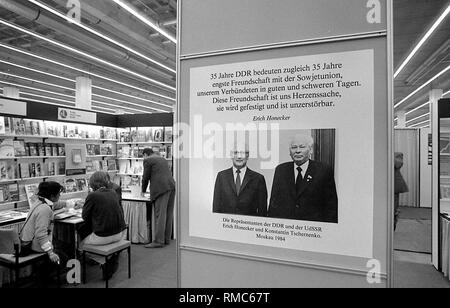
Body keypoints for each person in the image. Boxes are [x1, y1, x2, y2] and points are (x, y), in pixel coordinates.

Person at [268, 134, 338, 223]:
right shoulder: (281, 170)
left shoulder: (323, 171)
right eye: (294, 147)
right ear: (289, 151)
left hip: (313, 229)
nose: (297, 151)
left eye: (302, 147)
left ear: (310, 150)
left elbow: (331, 207)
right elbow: (273, 204)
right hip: (287, 228)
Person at [79, 171, 127, 279]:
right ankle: (109, 257)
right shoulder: (113, 192)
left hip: (103, 236)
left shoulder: (92, 196)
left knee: (80, 244)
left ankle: (104, 259)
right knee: (87, 229)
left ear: (92, 183)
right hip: (119, 234)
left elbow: (84, 217)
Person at [19, 181, 66, 285]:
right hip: (34, 245)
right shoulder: (45, 209)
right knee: (63, 255)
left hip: (26, 242)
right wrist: (50, 253)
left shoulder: (39, 202)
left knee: (59, 245)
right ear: (52, 196)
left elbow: (55, 205)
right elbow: (41, 234)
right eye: (59, 193)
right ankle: (43, 278)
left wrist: (69, 203)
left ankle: (43, 276)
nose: (60, 195)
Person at [213, 144, 267, 216]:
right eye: (235, 153)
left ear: (247, 156)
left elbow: (262, 211)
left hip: (249, 225)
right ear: (231, 156)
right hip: (226, 224)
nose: (239, 156)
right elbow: (216, 206)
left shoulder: (258, 179)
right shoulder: (221, 176)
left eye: (242, 153)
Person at [141, 148, 175, 248]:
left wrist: (143, 191)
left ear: (145, 154)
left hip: (161, 189)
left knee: (160, 215)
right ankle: (166, 239)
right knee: (168, 214)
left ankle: (158, 241)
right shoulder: (162, 159)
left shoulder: (148, 160)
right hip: (171, 186)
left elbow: (145, 177)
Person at [394, 152, 409, 231]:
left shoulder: (397, 157)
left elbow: (397, 164)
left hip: (395, 186)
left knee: (394, 208)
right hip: (389, 186)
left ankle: (393, 222)